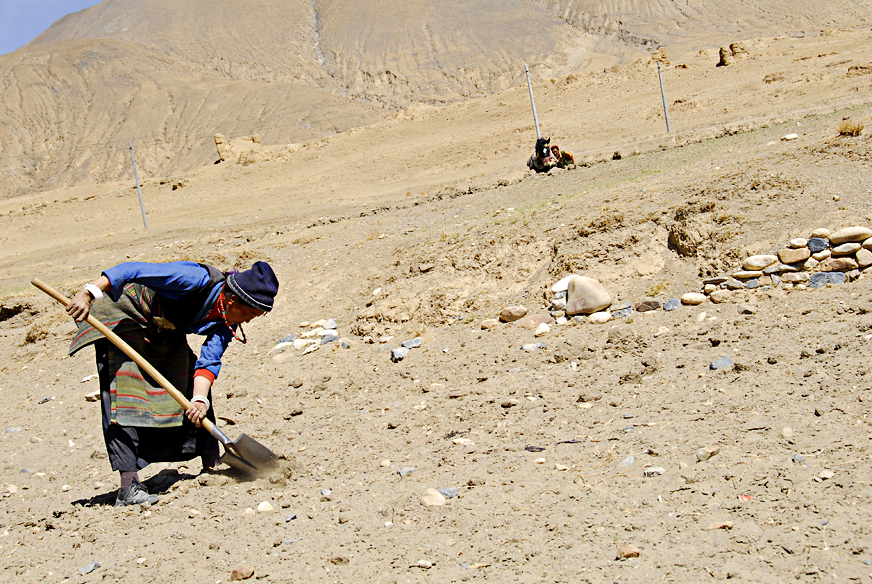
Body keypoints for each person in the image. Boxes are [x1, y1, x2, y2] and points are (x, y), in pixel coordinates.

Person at [66, 260, 278, 506]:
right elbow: (132, 270)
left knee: (188, 381)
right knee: (126, 394)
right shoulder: (194, 279)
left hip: (161, 326)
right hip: (125, 315)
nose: (249, 321)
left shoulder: (226, 321)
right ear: (232, 301)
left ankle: (212, 464)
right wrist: (88, 293)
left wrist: (199, 400)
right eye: (251, 314)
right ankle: (128, 486)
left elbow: (209, 361)